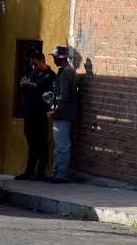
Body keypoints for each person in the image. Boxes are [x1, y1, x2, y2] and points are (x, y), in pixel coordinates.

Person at [16, 53, 56, 181]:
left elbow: (45, 92)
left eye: (35, 64)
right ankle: (29, 171)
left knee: (42, 144)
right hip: (29, 113)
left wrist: (31, 86)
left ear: (42, 61)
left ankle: (40, 172)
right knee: (31, 143)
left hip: (41, 115)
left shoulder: (50, 76)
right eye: (32, 64)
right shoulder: (33, 74)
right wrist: (24, 86)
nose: (34, 67)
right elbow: (27, 88)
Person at [46, 45, 78, 184]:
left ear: (62, 58)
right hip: (62, 112)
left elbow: (65, 95)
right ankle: (56, 173)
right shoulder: (64, 71)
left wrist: (56, 110)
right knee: (59, 146)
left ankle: (61, 174)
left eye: (55, 57)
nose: (54, 60)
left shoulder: (66, 72)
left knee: (62, 146)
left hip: (63, 114)